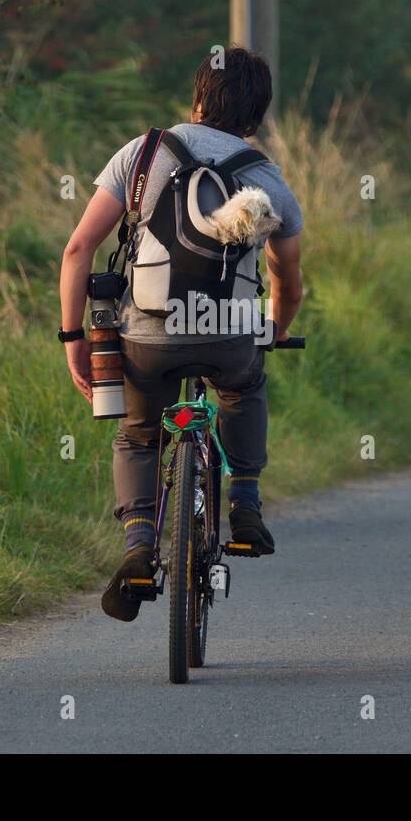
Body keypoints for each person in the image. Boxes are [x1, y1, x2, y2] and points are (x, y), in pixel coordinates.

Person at [58, 47, 304, 622]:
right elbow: (286, 279)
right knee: (243, 387)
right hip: (229, 334)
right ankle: (244, 505)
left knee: (140, 432)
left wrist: (73, 338)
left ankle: (140, 545)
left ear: (197, 98)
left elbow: (78, 251)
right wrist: (274, 330)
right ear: (257, 117)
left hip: (147, 336)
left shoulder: (142, 154)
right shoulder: (265, 176)